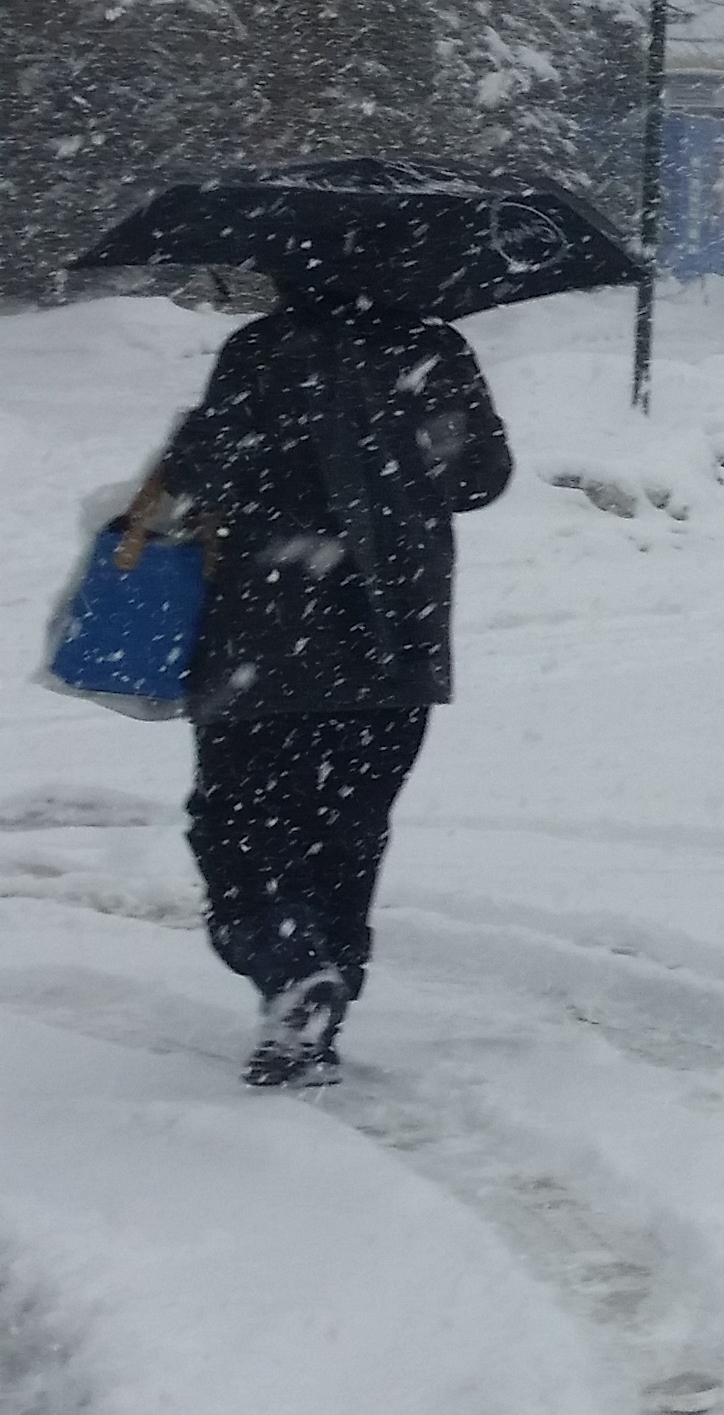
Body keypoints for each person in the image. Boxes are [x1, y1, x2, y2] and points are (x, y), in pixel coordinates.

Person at [117, 249, 511, 1089]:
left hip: (265, 641)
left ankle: (285, 959)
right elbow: (482, 478)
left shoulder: (263, 351)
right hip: (397, 641)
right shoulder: (436, 350)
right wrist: (405, 464)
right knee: (349, 829)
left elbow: (198, 477)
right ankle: (317, 1000)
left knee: (233, 825)